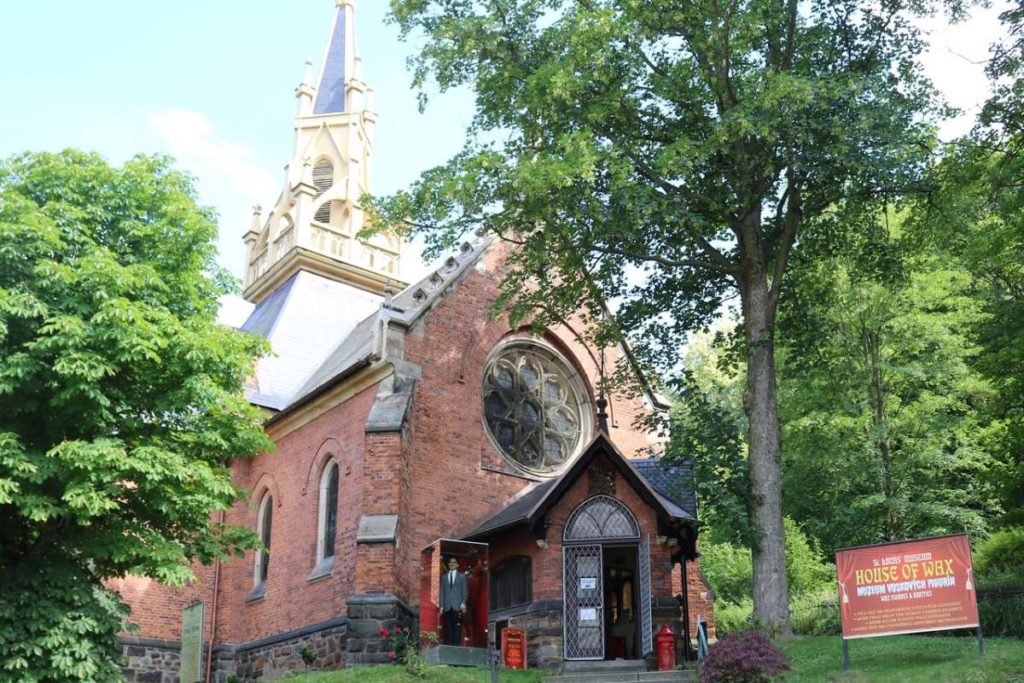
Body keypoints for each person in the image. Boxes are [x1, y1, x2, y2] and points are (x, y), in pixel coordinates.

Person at [439, 557, 468, 646]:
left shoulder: (462, 576)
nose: (452, 564)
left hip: (457, 606)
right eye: (450, 562)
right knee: (448, 627)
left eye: (454, 562)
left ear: (457, 565)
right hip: (447, 606)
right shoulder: (444, 577)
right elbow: (442, 592)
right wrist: (441, 605)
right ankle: (449, 647)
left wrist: (463, 602)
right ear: (448, 564)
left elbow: (465, 592)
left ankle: (456, 647)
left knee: (457, 627)